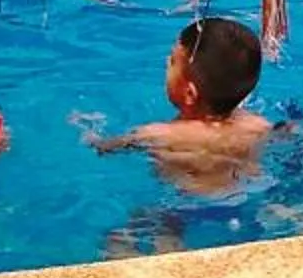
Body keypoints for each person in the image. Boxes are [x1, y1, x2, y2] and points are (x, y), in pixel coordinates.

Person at [90, 16, 276, 198]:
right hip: (245, 195)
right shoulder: (257, 126)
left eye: (172, 62)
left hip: (186, 205)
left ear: (189, 94)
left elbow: (105, 148)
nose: (166, 62)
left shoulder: (159, 134)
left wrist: (90, 132)